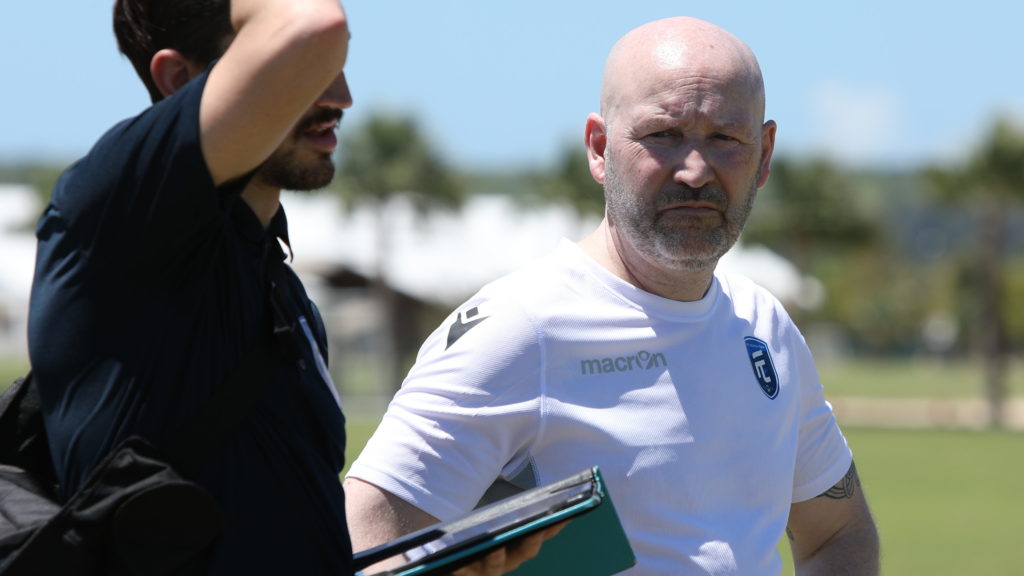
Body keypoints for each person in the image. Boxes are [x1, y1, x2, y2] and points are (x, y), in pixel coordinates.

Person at [343, 16, 881, 576]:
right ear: (599, 149)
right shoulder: (521, 328)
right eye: (662, 135)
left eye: (725, 137)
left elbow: (838, 531)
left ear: (764, 154)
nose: (695, 170)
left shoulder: (763, 327)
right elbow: (362, 549)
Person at [27, 1, 550, 574]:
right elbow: (310, 21)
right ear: (179, 80)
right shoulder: (114, 213)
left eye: (339, 63)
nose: (341, 98)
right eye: (302, 69)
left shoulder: (281, 287)